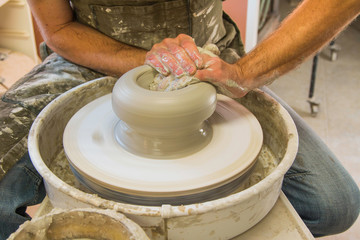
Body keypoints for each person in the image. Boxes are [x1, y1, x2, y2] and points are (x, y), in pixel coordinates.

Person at [0, 0, 359, 239]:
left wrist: (245, 73)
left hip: (208, 62)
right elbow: (58, 28)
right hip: (91, 55)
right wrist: (142, 61)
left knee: (335, 204)